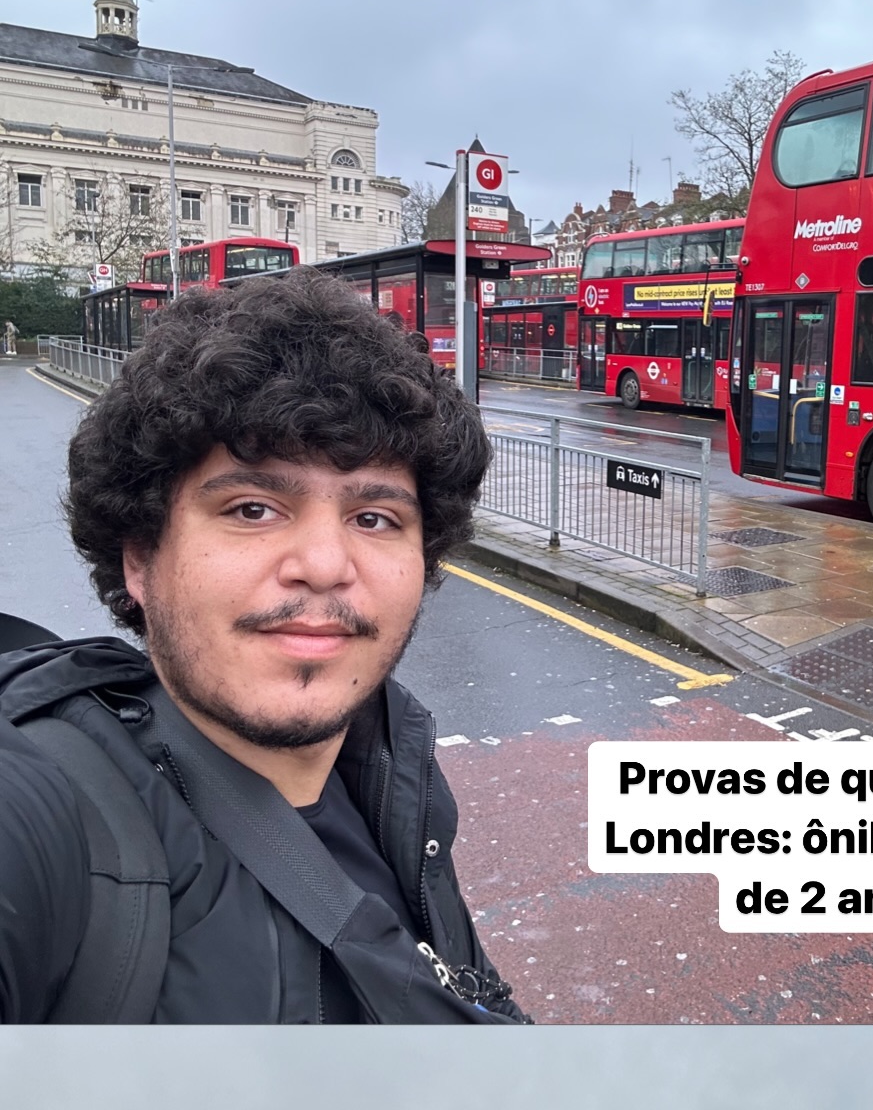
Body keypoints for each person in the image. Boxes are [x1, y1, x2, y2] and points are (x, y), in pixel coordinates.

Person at [0, 268, 526, 1025]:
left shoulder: (395, 776)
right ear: (139, 556)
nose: (323, 563)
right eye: (253, 507)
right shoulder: (50, 818)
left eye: (375, 518)